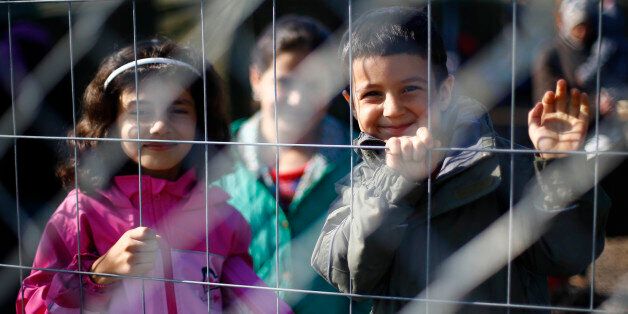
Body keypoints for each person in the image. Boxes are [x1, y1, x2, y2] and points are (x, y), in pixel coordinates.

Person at [311, 7, 609, 313]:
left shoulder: (500, 165)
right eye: (372, 94)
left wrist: (558, 164)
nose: (392, 109)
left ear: (444, 92)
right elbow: (348, 277)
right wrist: (396, 184)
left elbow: (569, 254)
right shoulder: (362, 182)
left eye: (410, 89)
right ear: (352, 104)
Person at [16, 38, 292, 313]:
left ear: (202, 122)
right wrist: (99, 273)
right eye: (140, 111)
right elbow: (33, 305)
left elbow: (254, 301)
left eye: (178, 109)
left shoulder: (221, 217)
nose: (160, 126)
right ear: (111, 123)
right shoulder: (82, 212)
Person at [216, 15, 368, 313]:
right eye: (284, 81)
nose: (298, 98)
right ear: (256, 81)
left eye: (314, 83)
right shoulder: (217, 159)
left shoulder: (363, 160)